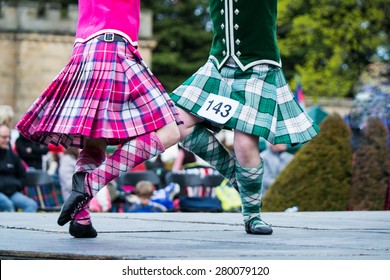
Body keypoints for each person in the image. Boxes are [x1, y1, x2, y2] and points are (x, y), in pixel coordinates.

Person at [16, 0, 182, 238]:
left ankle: (81, 219)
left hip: (85, 49)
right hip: (115, 45)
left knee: (94, 140)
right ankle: (91, 184)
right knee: (171, 131)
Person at [170, 0, 319, 235]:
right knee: (176, 123)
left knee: (245, 144)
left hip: (257, 67)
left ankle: (252, 215)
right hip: (219, 66)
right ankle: (234, 175)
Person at [0, 124, 38, 212]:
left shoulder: (13, 156)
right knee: (8, 204)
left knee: (31, 205)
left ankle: (24, 225)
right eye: (4, 137)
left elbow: (23, 176)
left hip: (12, 192)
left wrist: (16, 185)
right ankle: (9, 226)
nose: (7, 140)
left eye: (8, 137)